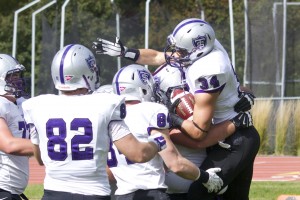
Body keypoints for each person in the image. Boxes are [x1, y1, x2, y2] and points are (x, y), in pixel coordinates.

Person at [92, 18, 260, 200]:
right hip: (224, 135)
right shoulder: (202, 51)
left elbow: (199, 135)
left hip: (231, 139)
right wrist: (126, 52)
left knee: (203, 193)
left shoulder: (209, 70)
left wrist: (172, 120)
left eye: (180, 50)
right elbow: (157, 56)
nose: (175, 54)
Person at [21, 44, 169, 200]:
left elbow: (39, 158)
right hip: (92, 193)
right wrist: (157, 142)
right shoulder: (105, 104)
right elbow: (138, 154)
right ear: (86, 72)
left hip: (53, 194)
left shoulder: (37, 106)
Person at [107, 64, 223, 200]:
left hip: (121, 195)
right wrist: (205, 177)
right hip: (150, 194)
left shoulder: (108, 117)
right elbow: (176, 164)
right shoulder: (150, 111)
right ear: (143, 89)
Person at [0, 54, 33, 200]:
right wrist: (48, 146)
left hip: (11, 189)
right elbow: (9, 145)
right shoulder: (1, 104)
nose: (18, 80)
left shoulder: (19, 104)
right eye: (12, 76)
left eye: (18, 75)